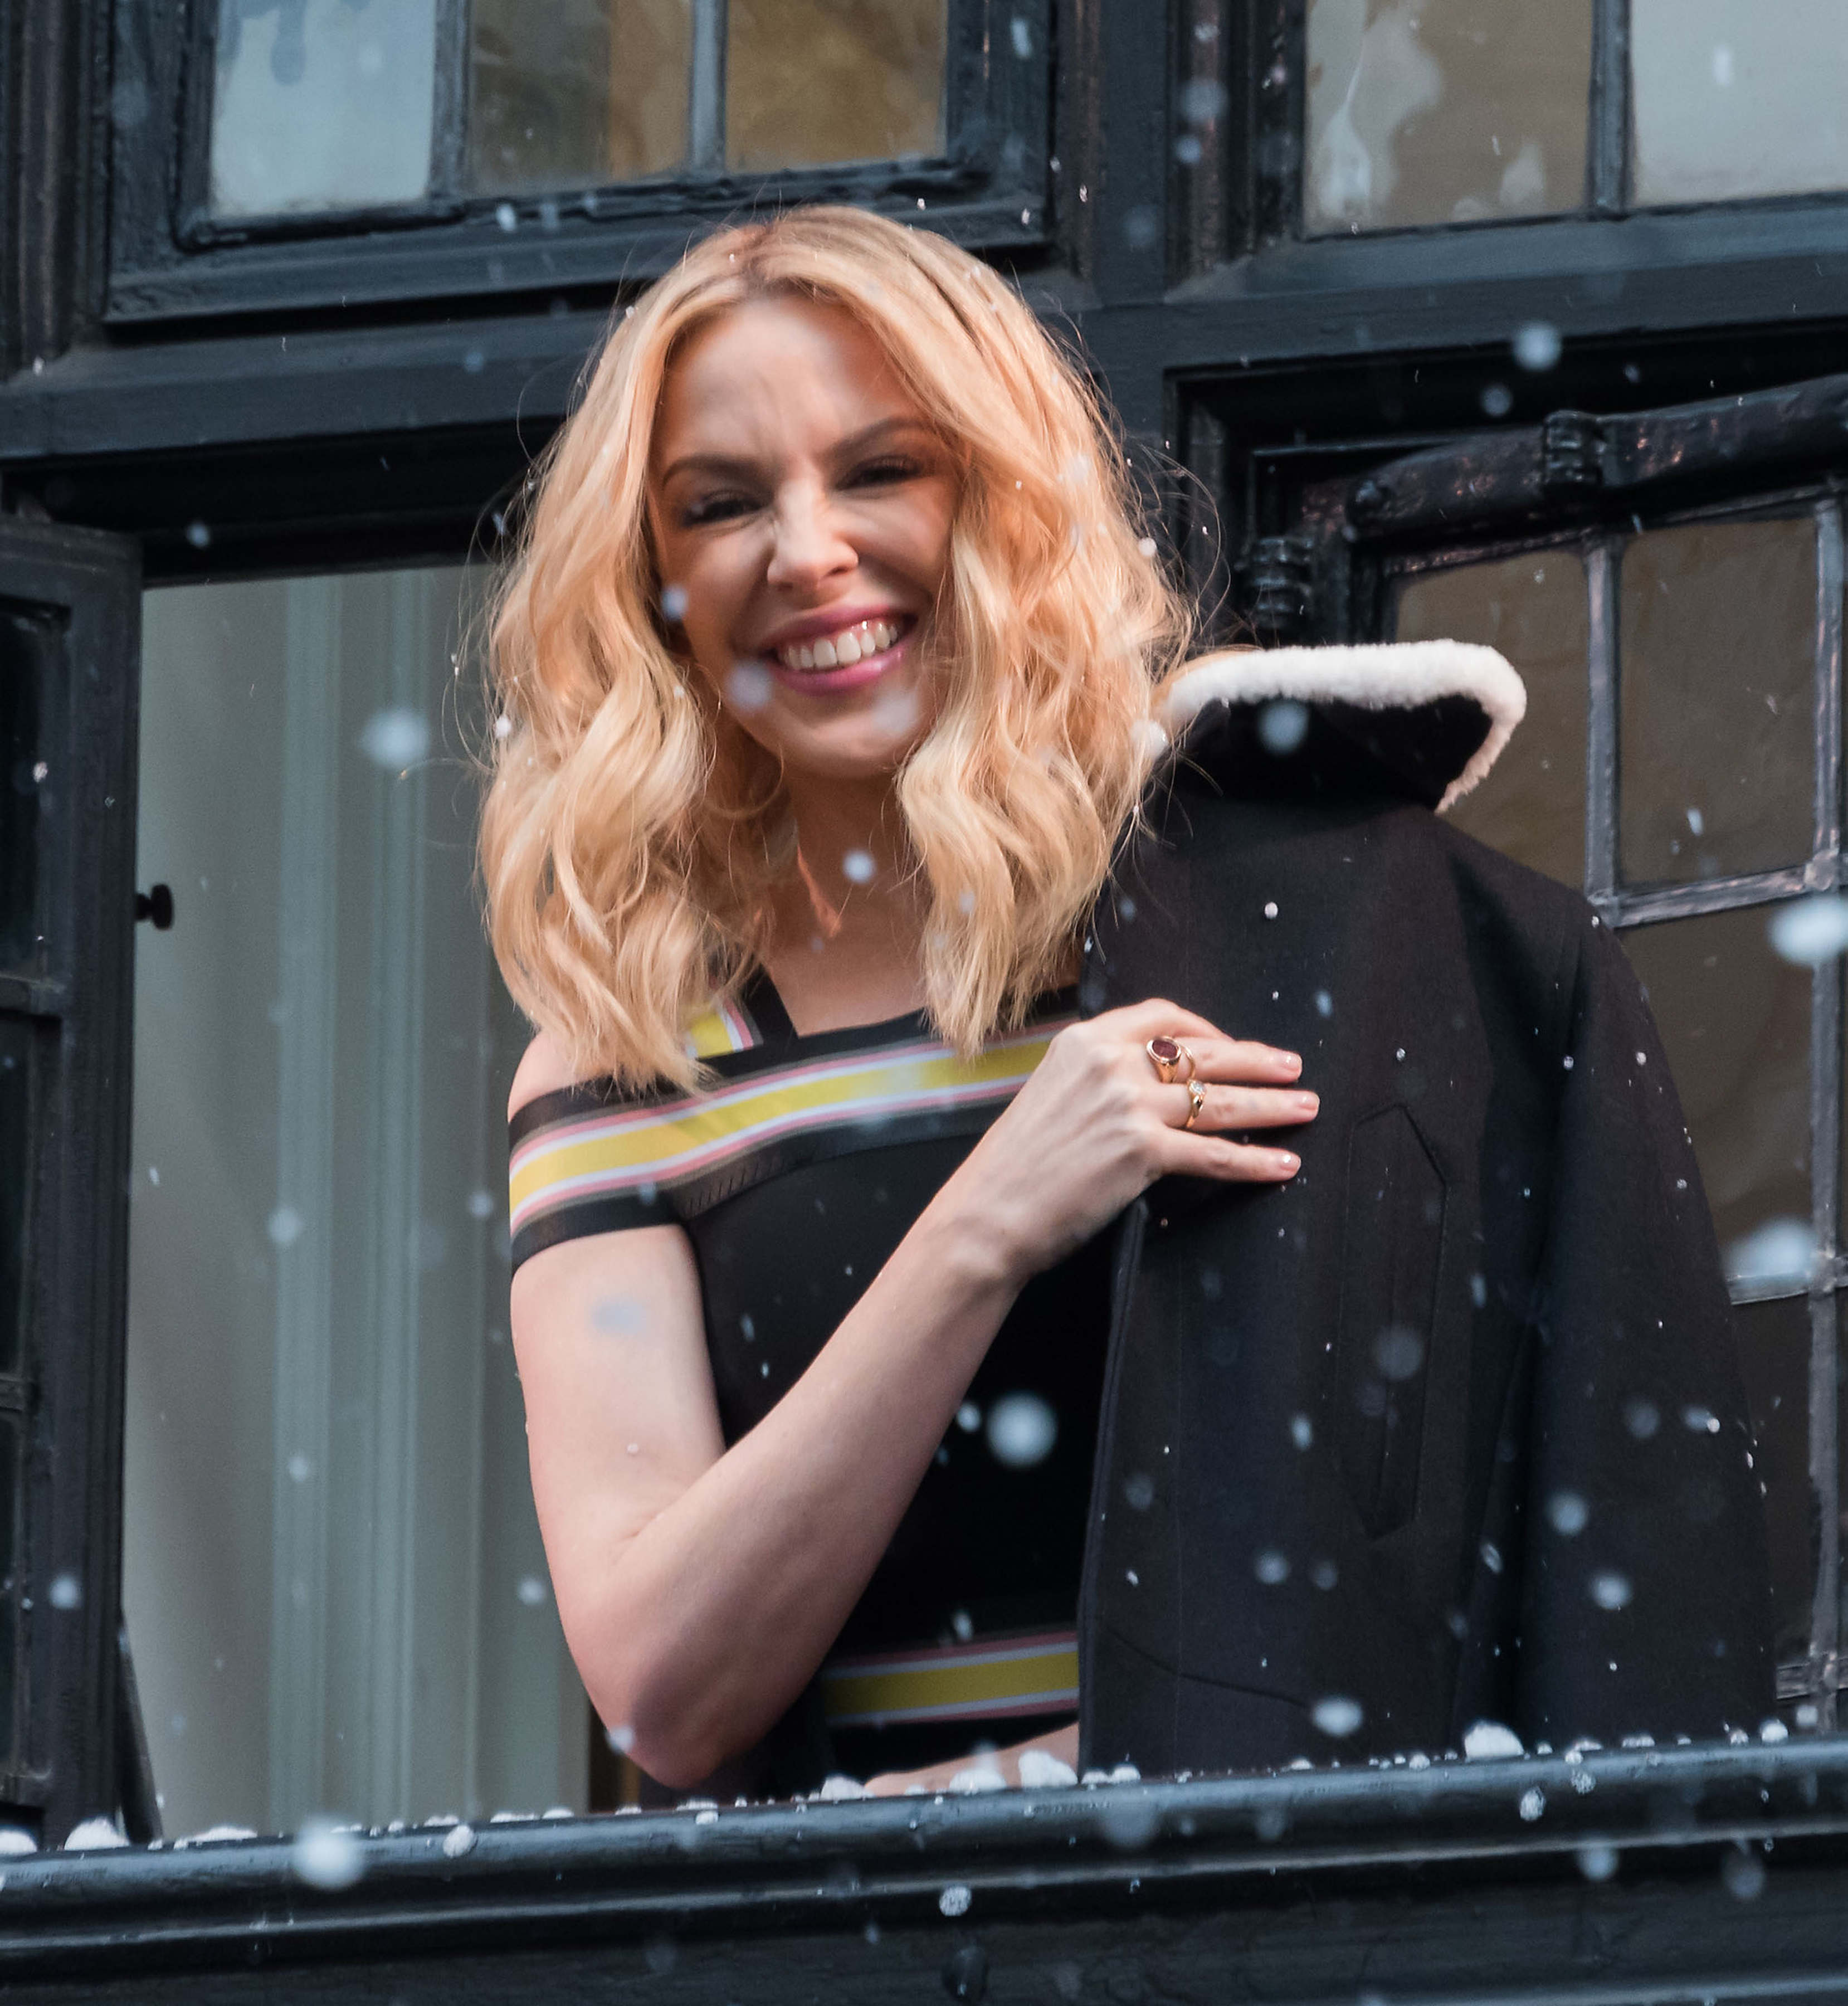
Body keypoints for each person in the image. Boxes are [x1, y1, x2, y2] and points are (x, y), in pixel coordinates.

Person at [482, 206, 1772, 1798]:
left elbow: (1543, 1601)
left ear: (1003, 498)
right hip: (845, 1925)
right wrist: (989, 1221)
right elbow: (664, 1691)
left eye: (883, 469)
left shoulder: (1327, 938)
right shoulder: (621, 1062)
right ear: (651, 580)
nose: (806, 552)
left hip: (1267, 1913)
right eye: (721, 502)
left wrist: (1049, 1789)